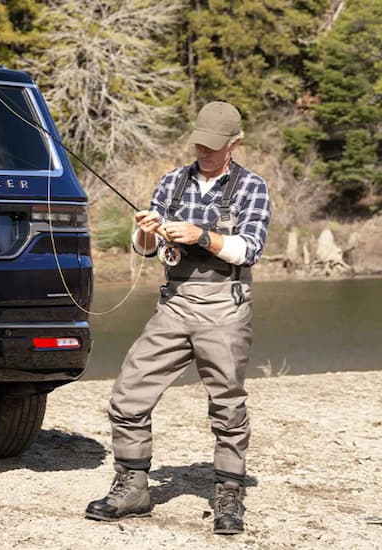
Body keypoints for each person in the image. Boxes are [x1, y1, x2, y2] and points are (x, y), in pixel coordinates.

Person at [84, 101, 271, 535]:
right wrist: (147, 232)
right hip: (174, 303)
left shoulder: (252, 188)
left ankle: (228, 491)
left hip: (225, 304)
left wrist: (201, 235)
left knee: (227, 405)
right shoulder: (172, 182)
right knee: (128, 393)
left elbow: (251, 249)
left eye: (213, 146)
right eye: (199, 144)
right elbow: (146, 249)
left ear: (234, 144)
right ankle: (132, 488)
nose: (203, 152)